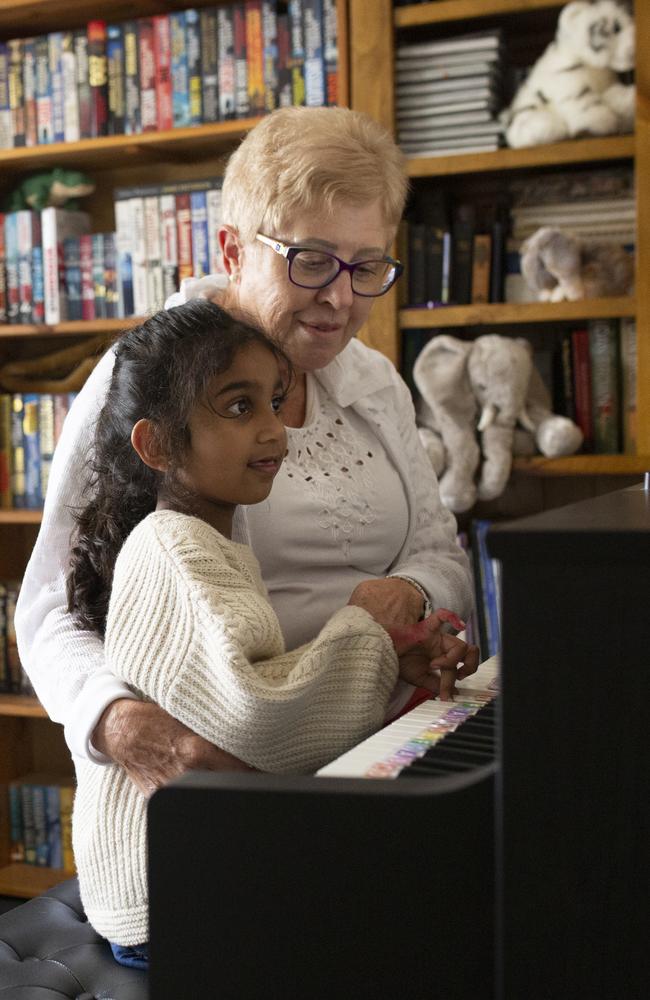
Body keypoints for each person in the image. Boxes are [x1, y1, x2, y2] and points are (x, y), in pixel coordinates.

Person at [15, 104, 474, 798]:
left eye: (367, 266)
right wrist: (130, 729)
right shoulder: (147, 381)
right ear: (233, 251)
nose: (341, 298)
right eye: (312, 261)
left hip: (380, 744)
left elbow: (443, 555)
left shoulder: (374, 382)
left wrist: (404, 595)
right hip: (222, 766)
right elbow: (49, 608)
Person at [67, 299, 477, 963]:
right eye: (240, 407)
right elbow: (261, 720)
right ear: (158, 445)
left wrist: (392, 655)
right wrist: (369, 630)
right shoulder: (175, 549)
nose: (276, 432)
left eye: (276, 402)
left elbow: (249, 690)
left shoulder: (203, 540)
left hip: (199, 868)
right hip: (167, 894)